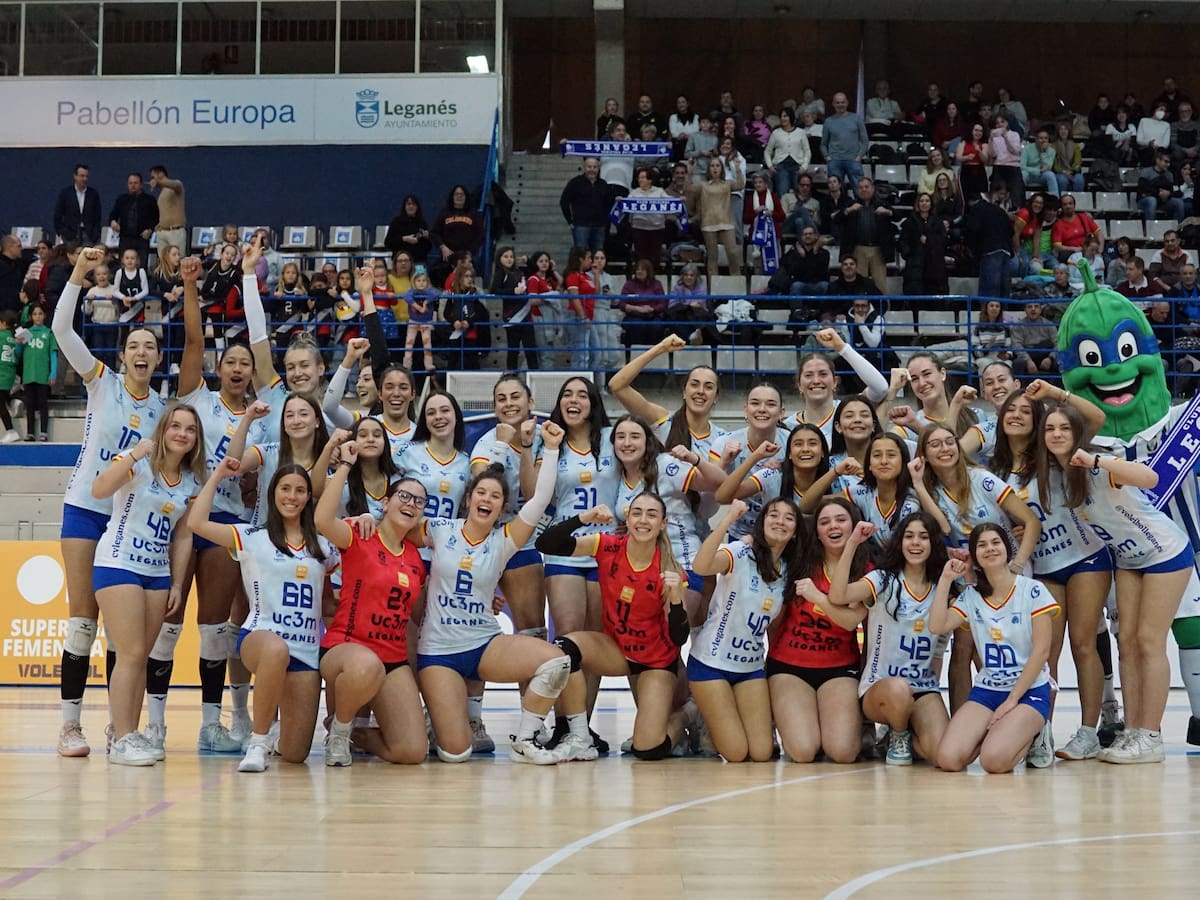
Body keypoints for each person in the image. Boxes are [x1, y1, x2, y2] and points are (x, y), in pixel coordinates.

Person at [50, 246, 167, 758]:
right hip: (86, 510)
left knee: (128, 639)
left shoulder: (164, 410)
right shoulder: (103, 383)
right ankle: (69, 726)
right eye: (134, 345)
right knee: (82, 620)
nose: (142, 352)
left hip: (133, 523)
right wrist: (77, 276)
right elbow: (61, 332)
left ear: (158, 358)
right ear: (123, 355)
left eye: (150, 347)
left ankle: (123, 729)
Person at [418, 422, 573, 764]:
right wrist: (365, 520)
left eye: (495, 496)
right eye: (481, 493)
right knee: (456, 753)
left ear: (503, 508)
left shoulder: (503, 542)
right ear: (469, 498)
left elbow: (541, 499)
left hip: (484, 644)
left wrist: (550, 448)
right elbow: (394, 528)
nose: (487, 499)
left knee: (557, 661)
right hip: (438, 651)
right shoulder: (440, 529)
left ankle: (526, 738)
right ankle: (418, 721)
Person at [190, 457, 338, 772]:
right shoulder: (251, 536)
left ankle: (275, 737)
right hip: (260, 637)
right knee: (275, 649)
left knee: (295, 753)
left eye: (300, 490)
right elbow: (197, 523)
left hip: (307, 650)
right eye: (285, 488)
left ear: (308, 497)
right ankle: (257, 742)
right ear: (273, 493)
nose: (292, 496)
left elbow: (326, 602)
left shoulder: (323, 547)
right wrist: (217, 474)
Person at [91, 403, 205, 765]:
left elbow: (183, 538)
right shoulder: (138, 462)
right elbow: (99, 489)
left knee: (141, 656)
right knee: (131, 652)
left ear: (196, 439)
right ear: (163, 430)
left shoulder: (190, 482)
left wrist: (176, 583)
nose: (181, 434)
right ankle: (123, 736)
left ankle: (126, 731)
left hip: (157, 573)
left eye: (189, 429)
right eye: (175, 426)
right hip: (118, 563)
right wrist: (134, 454)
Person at [536, 495, 691, 762]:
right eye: (637, 513)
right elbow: (546, 543)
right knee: (564, 648)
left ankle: (687, 716)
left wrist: (676, 599)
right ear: (627, 519)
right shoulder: (607, 545)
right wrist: (584, 518)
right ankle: (579, 735)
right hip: (617, 649)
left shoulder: (670, 570)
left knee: (647, 749)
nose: (643, 520)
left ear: (663, 523)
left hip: (655, 661)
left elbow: (680, 637)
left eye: (652, 515)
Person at [316, 461, 429, 766]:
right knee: (366, 665)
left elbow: (420, 611)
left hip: (392, 657)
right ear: (385, 502)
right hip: (345, 648)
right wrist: (343, 466)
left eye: (419, 501)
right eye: (404, 496)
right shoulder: (360, 533)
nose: (411, 504)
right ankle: (340, 730)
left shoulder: (415, 558)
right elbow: (323, 520)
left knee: (412, 752)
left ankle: (358, 735)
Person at [931, 524, 1057, 774]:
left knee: (994, 762)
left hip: (1029, 690)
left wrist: (1012, 700)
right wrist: (946, 579)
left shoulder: (1033, 590)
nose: (990, 549)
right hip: (988, 690)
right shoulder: (971, 596)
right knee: (948, 759)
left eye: (995, 542)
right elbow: (937, 626)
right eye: (982, 545)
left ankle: (1035, 733)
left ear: (1007, 548)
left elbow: (1042, 651)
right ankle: (995, 734)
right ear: (975, 556)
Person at [829, 514, 952, 765]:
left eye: (923, 537)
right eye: (909, 536)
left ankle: (901, 736)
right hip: (881, 688)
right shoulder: (883, 579)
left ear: (933, 544)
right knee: (898, 689)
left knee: (943, 755)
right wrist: (852, 542)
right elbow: (838, 594)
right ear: (899, 542)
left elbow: (939, 649)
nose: (915, 543)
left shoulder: (943, 586)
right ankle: (897, 733)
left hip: (923, 688)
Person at [688, 497, 800, 762]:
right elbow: (700, 566)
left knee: (762, 753)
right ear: (761, 523)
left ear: (796, 533)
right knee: (737, 753)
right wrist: (728, 519)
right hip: (711, 662)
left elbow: (774, 626)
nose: (780, 521)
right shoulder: (740, 552)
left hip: (750, 668)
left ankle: (715, 716)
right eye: (773, 515)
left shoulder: (788, 572)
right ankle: (690, 713)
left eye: (788, 517)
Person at [768, 497, 870, 763]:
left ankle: (845, 728)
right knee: (803, 752)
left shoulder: (866, 569)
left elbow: (850, 621)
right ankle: (792, 724)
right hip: (789, 666)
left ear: (853, 525)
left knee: (843, 753)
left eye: (840, 520)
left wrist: (818, 598)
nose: (833, 526)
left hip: (839, 667)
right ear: (817, 533)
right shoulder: (799, 560)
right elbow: (768, 545)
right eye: (824, 522)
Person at [838, 177, 893, 295]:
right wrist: (848, 210)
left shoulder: (882, 204)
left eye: (866, 187)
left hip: (878, 249)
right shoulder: (851, 204)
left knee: (880, 284)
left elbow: (898, 215)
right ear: (857, 190)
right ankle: (857, 312)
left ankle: (883, 311)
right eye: (861, 187)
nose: (864, 190)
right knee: (858, 284)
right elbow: (837, 219)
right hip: (858, 249)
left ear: (873, 188)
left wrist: (887, 212)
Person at [694, 155, 745, 277]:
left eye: (717, 166)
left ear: (721, 168)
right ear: (708, 169)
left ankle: (736, 280)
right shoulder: (703, 185)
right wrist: (691, 172)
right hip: (708, 223)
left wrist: (737, 169)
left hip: (726, 222)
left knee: (732, 252)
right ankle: (713, 288)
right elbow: (689, 189)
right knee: (712, 256)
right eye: (712, 166)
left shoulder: (727, 184)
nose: (715, 168)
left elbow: (740, 185)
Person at [964, 183, 1015, 298]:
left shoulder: (978, 208)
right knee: (1003, 288)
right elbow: (1011, 232)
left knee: (990, 289)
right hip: (1006, 252)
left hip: (990, 250)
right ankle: (1003, 314)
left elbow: (972, 229)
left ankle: (986, 313)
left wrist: (972, 248)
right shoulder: (1001, 212)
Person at [18, 303, 57, 442]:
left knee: (42, 403)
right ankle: (30, 432)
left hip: (42, 374)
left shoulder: (48, 333)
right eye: (35, 314)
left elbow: (53, 354)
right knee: (29, 405)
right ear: (31, 316)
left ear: (44, 315)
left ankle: (44, 432)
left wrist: (53, 373)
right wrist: (18, 344)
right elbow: (18, 353)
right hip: (29, 374)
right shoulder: (27, 333)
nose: (38, 317)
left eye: (40, 314)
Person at [899, 193, 948, 296]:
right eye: (921, 201)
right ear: (917, 203)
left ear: (931, 204)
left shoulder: (938, 222)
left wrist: (929, 240)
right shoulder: (909, 222)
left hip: (934, 265)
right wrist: (909, 253)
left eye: (927, 201)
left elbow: (944, 241)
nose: (924, 203)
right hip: (915, 265)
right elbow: (902, 242)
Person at [559, 157, 610, 252]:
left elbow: (608, 203)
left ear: (598, 168)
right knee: (581, 255)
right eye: (589, 167)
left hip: (599, 226)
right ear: (584, 167)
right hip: (581, 226)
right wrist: (569, 221)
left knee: (598, 254)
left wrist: (605, 220)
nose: (592, 169)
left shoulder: (603, 184)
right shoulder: (575, 183)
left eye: (595, 167)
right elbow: (564, 202)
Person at [821, 92, 868, 194]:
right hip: (835, 161)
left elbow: (865, 141)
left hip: (853, 160)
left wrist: (859, 157)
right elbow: (823, 144)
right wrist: (827, 157)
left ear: (847, 103)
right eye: (837, 102)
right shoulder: (828, 121)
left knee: (860, 190)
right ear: (833, 104)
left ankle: (862, 209)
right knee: (835, 192)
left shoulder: (857, 119)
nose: (840, 105)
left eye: (842, 102)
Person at [107, 172, 159, 263]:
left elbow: (156, 218)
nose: (133, 186)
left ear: (141, 184)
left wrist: (150, 229)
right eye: (130, 183)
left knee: (142, 266)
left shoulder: (149, 200)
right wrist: (113, 222)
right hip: (125, 238)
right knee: (124, 265)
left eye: (135, 183)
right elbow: (113, 215)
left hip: (142, 238)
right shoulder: (122, 199)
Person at [616, 258, 668, 347]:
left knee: (656, 326)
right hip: (634, 315)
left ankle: (654, 352)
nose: (639, 272)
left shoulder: (656, 284)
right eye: (637, 269)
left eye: (642, 269)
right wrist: (638, 309)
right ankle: (637, 353)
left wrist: (652, 309)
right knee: (638, 325)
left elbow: (663, 303)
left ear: (648, 271)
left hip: (653, 315)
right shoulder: (629, 284)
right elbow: (622, 304)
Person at [763, 107, 811, 197]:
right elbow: (767, 151)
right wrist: (770, 165)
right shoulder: (776, 133)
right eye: (781, 116)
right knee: (783, 194)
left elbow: (807, 151)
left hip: (797, 167)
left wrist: (804, 166)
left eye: (785, 116)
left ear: (791, 117)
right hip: (781, 167)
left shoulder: (801, 132)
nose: (783, 118)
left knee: (800, 195)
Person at [431, 184, 482, 266]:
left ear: (466, 197)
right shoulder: (444, 213)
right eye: (456, 194)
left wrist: (470, 252)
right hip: (448, 255)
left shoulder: (473, 214)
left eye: (462, 194)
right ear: (452, 197)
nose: (459, 196)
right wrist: (443, 247)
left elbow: (480, 234)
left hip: (466, 256)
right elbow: (434, 233)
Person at [53, 163, 102, 245]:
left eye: (86, 176)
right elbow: (57, 215)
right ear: (75, 176)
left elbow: (97, 217)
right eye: (82, 176)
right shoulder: (65, 194)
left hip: (89, 236)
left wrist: (96, 234)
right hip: (70, 236)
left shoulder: (93, 194)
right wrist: (63, 232)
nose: (85, 179)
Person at [401, 266, 437, 373]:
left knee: (427, 343)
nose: (421, 283)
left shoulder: (429, 291)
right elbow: (406, 296)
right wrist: (417, 306)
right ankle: (406, 365)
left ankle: (428, 364)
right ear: (414, 282)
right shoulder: (412, 291)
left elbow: (436, 294)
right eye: (418, 280)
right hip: (413, 321)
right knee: (409, 343)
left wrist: (426, 302)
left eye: (424, 281)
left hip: (426, 322)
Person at [1010, 301, 1059, 375]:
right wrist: (1028, 360)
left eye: (1036, 306)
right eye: (1029, 307)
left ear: (1040, 310)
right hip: (1027, 354)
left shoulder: (1049, 324)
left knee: (1059, 361)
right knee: (1018, 363)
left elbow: (1058, 343)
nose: (1033, 309)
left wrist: (1050, 358)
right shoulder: (1018, 326)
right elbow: (1017, 345)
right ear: (1025, 310)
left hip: (1046, 354)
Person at [1051, 194, 1103, 262]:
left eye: (1070, 203)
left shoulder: (1084, 217)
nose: (1068, 206)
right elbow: (1057, 246)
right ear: (1061, 207)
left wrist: (1100, 250)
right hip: (1071, 253)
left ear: (1074, 205)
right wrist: (1074, 249)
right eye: (1065, 204)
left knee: (1106, 260)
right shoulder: (1058, 224)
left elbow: (1099, 233)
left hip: (1089, 249)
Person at [149, 165, 187, 253]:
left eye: (153, 177)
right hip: (162, 232)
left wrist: (159, 182)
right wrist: (159, 224)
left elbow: (175, 184)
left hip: (175, 232)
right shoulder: (162, 193)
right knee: (163, 263)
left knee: (178, 261)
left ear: (161, 174)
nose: (152, 180)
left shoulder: (176, 187)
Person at [1138, 150, 1185, 221]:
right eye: (1166, 161)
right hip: (1145, 201)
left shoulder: (1170, 175)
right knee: (1152, 200)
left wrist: (1169, 193)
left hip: (1163, 202)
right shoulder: (1146, 172)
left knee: (1179, 202)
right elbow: (1142, 189)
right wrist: (1159, 193)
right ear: (1157, 160)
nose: (1168, 164)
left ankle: (1177, 230)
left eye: (1169, 162)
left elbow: (1177, 192)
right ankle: (1151, 230)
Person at [383, 194, 432, 260]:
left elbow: (429, 247)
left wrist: (427, 237)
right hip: (400, 262)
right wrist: (404, 239)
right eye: (408, 204)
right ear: (404, 207)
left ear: (417, 207)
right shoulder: (396, 222)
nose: (411, 206)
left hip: (418, 261)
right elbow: (388, 243)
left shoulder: (422, 223)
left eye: (413, 204)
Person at [989, 116, 1024, 204]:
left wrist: (1005, 138)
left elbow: (1015, 151)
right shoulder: (995, 137)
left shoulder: (1015, 134)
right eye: (997, 123)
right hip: (999, 166)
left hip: (1013, 167)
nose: (1000, 124)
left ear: (1007, 123)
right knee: (996, 195)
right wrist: (991, 140)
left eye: (1002, 122)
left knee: (1016, 195)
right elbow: (993, 154)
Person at [956, 122, 992, 200]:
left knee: (982, 195)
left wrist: (979, 151)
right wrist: (967, 157)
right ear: (971, 131)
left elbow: (985, 159)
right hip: (966, 170)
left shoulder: (984, 144)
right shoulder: (963, 142)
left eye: (980, 131)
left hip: (979, 170)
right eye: (976, 130)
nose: (978, 133)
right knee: (966, 195)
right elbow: (958, 157)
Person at [1021, 128, 1060, 198]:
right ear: (1036, 139)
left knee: (1050, 175)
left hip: (1042, 176)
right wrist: (1038, 171)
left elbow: (1048, 167)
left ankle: (1055, 200)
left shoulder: (1051, 151)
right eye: (1041, 138)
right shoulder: (1027, 149)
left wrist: (1043, 152)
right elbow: (1022, 166)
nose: (1043, 140)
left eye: (1046, 138)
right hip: (1029, 174)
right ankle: (1019, 200)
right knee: (1023, 174)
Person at [0, 311, 20, 443]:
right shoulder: (14, 339)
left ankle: (11, 431)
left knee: (0, 404)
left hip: (1, 373)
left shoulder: (1, 336)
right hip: (10, 373)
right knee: (3, 396)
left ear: (4, 323)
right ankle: (14, 402)